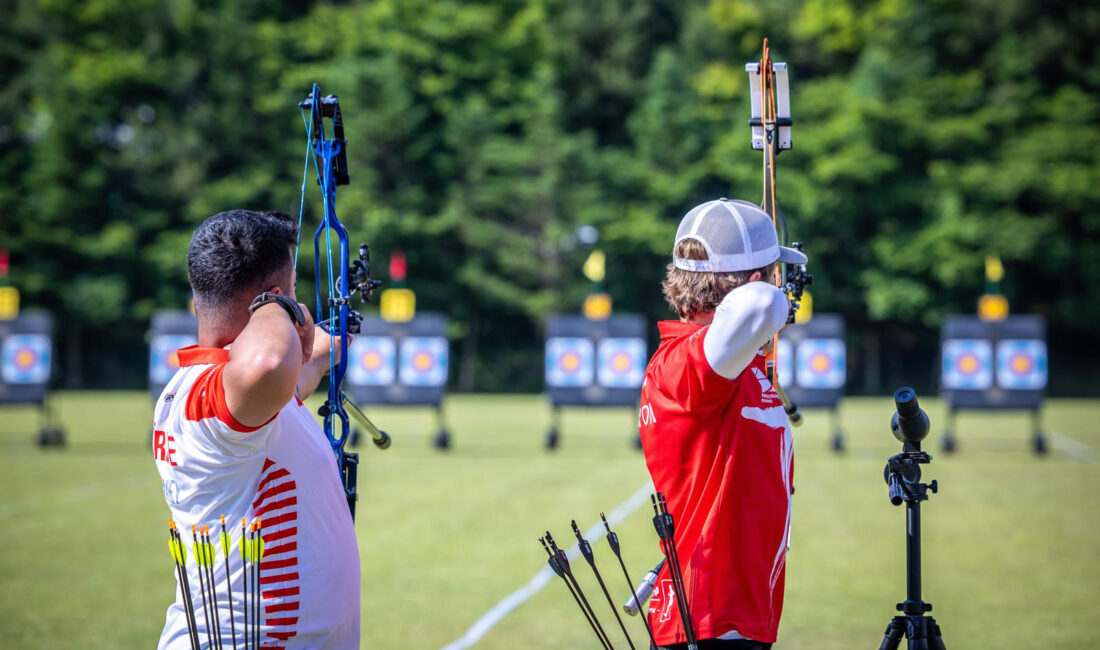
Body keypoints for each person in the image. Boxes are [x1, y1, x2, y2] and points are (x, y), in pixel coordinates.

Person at [152, 209, 360, 649]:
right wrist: (277, 305)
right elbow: (268, 363)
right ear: (274, 297)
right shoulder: (209, 398)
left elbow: (297, 374)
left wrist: (332, 342)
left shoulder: (237, 397)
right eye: (292, 293)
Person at [638, 198, 808, 649]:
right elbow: (757, 307)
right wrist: (772, 300)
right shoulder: (685, 364)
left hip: (737, 616)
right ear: (756, 280)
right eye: (776, 273)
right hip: (709, 618)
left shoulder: (729, 365)